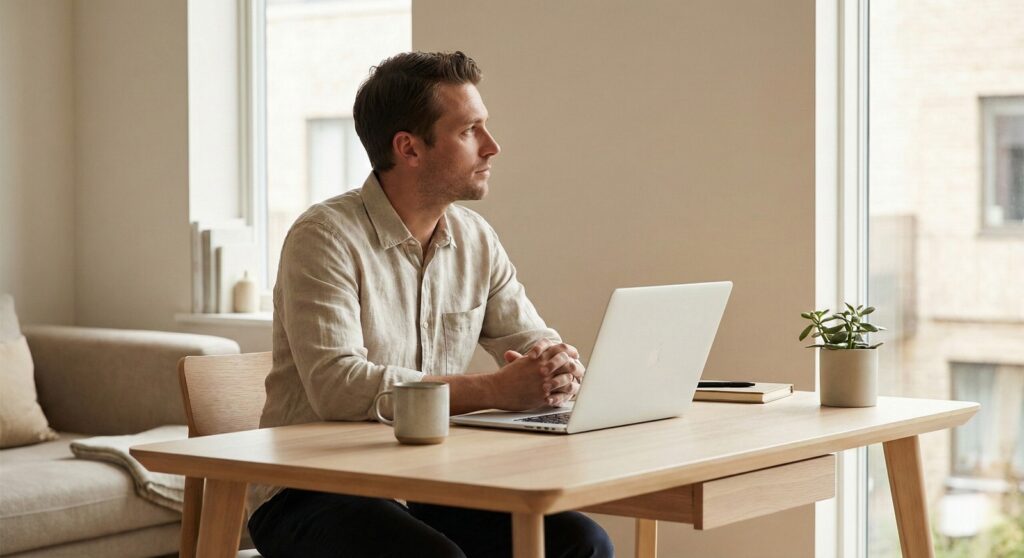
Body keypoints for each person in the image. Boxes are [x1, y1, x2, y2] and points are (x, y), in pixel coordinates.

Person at [246, 51, 614, 558]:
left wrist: (558, 367)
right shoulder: (324, 237)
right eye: (470, 131)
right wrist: (496, 388)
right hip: (311, 491)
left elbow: (531, 337)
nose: (492, 146)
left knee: (581, 542)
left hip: (428, 483)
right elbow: (338, 386)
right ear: (409, 148)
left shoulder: (476, 239)